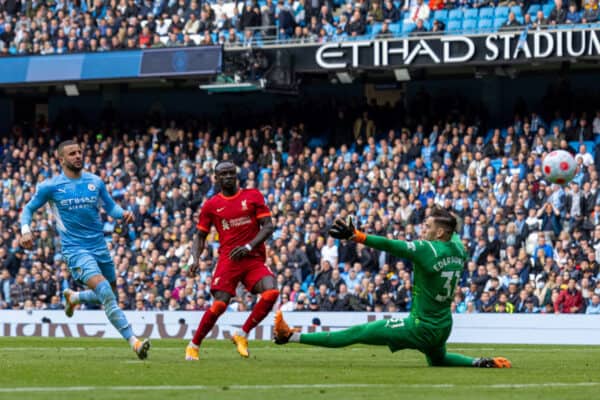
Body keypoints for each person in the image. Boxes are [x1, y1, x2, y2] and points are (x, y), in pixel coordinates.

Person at [273, 206, 511, 368]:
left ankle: (290, 337)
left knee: (357, 333)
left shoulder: (427, 249)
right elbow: (454, 230)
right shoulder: (459, 248)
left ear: (439, 232)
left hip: (419, 327)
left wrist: (358, 236)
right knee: (438, 361)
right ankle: (480, 362)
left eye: (427, 226)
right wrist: (444, 216)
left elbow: (390, 244)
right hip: (442, 326)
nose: (423, 230)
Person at [19, 140, 150, 359]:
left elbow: (110, 207)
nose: (78, 156)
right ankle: (134, 342)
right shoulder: (50, 187)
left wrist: (123, 213)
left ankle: (75, 298)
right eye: (72, 153)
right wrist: (25, 230)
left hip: (99, 247)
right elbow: (28, 209)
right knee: (105, 291)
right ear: (61, 159)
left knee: (112, 294)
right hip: (75, 250)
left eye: (80, 152)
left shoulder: (95, 182)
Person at [185, 160, 278, 360]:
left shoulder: (252, 196)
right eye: (223, 174)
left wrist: (248, 246)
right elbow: (200, 236)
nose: (228, 177)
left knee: (272, 292)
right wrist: (194, 258)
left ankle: (242, 334)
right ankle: (193, 345)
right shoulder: (211, 205)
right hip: (229, 260)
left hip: (252, 258)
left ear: (237, 175)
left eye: (231, 173)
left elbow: (268, 226)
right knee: (220, 304)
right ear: (216, 178)